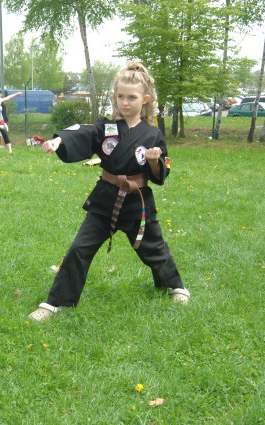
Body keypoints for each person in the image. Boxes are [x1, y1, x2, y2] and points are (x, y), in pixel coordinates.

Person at [28, 62, 190, 322]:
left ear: (145, 99)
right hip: (105, 199)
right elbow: (84, 132)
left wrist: (152, 160)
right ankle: (55, 303)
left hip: (138, 201)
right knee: (79, 248)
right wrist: (59, 140)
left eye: (132, 97)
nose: (124, 102)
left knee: (153, 247)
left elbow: (161, 173)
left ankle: (175, 286)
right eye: (120, 96)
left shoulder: (153, 134)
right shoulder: (106, 128)